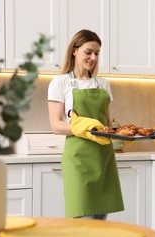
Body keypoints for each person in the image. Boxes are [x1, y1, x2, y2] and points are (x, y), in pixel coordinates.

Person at [47, 29, 124, 220]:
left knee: (99, 224)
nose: (93, 57)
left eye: (96, 53)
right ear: (74, 50)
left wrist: (122, 134)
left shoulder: (103, 84)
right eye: (88, 52)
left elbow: (106, 123)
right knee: (81, 223)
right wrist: (85, 129)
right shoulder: (60, 83)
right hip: (78, 159)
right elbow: (56, 125)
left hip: (103, 157)